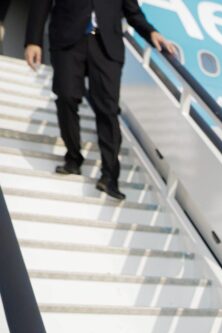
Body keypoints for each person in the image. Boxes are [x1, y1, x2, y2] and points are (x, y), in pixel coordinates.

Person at [24, 0, 169, 201]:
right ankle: (73, 157)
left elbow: (133, 12)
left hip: (106, 45)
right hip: (67, 39)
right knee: (66, 96)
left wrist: (151, 32)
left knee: (108, 109)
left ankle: (110, 177)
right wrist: (33, 40)